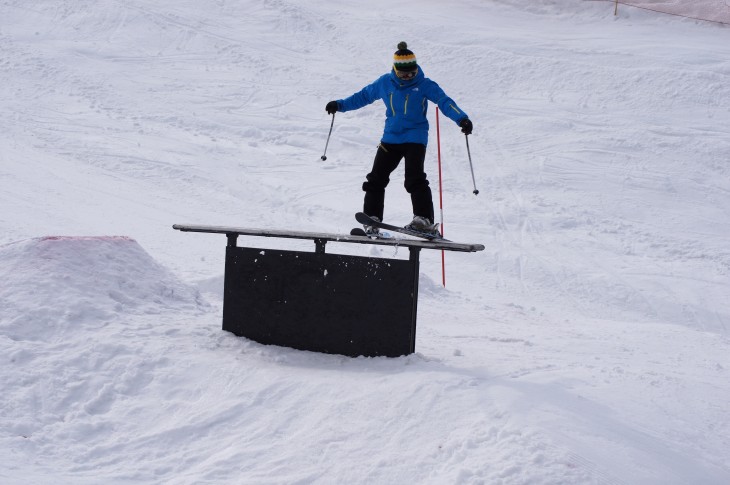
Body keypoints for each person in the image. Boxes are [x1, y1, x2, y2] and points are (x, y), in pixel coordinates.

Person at [326, 41, 473, 236]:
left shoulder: (424, 85)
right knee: (376, 179)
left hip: (415, 137)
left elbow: (445, 102)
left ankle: (424, 220)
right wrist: (340, 104)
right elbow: (362, 96)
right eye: (404, 73)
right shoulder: (384, 83)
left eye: (412, 73)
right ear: (395, 69)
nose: (408, 77)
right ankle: (372, 219)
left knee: (414, 179)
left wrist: (462, 118)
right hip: (390, 138)